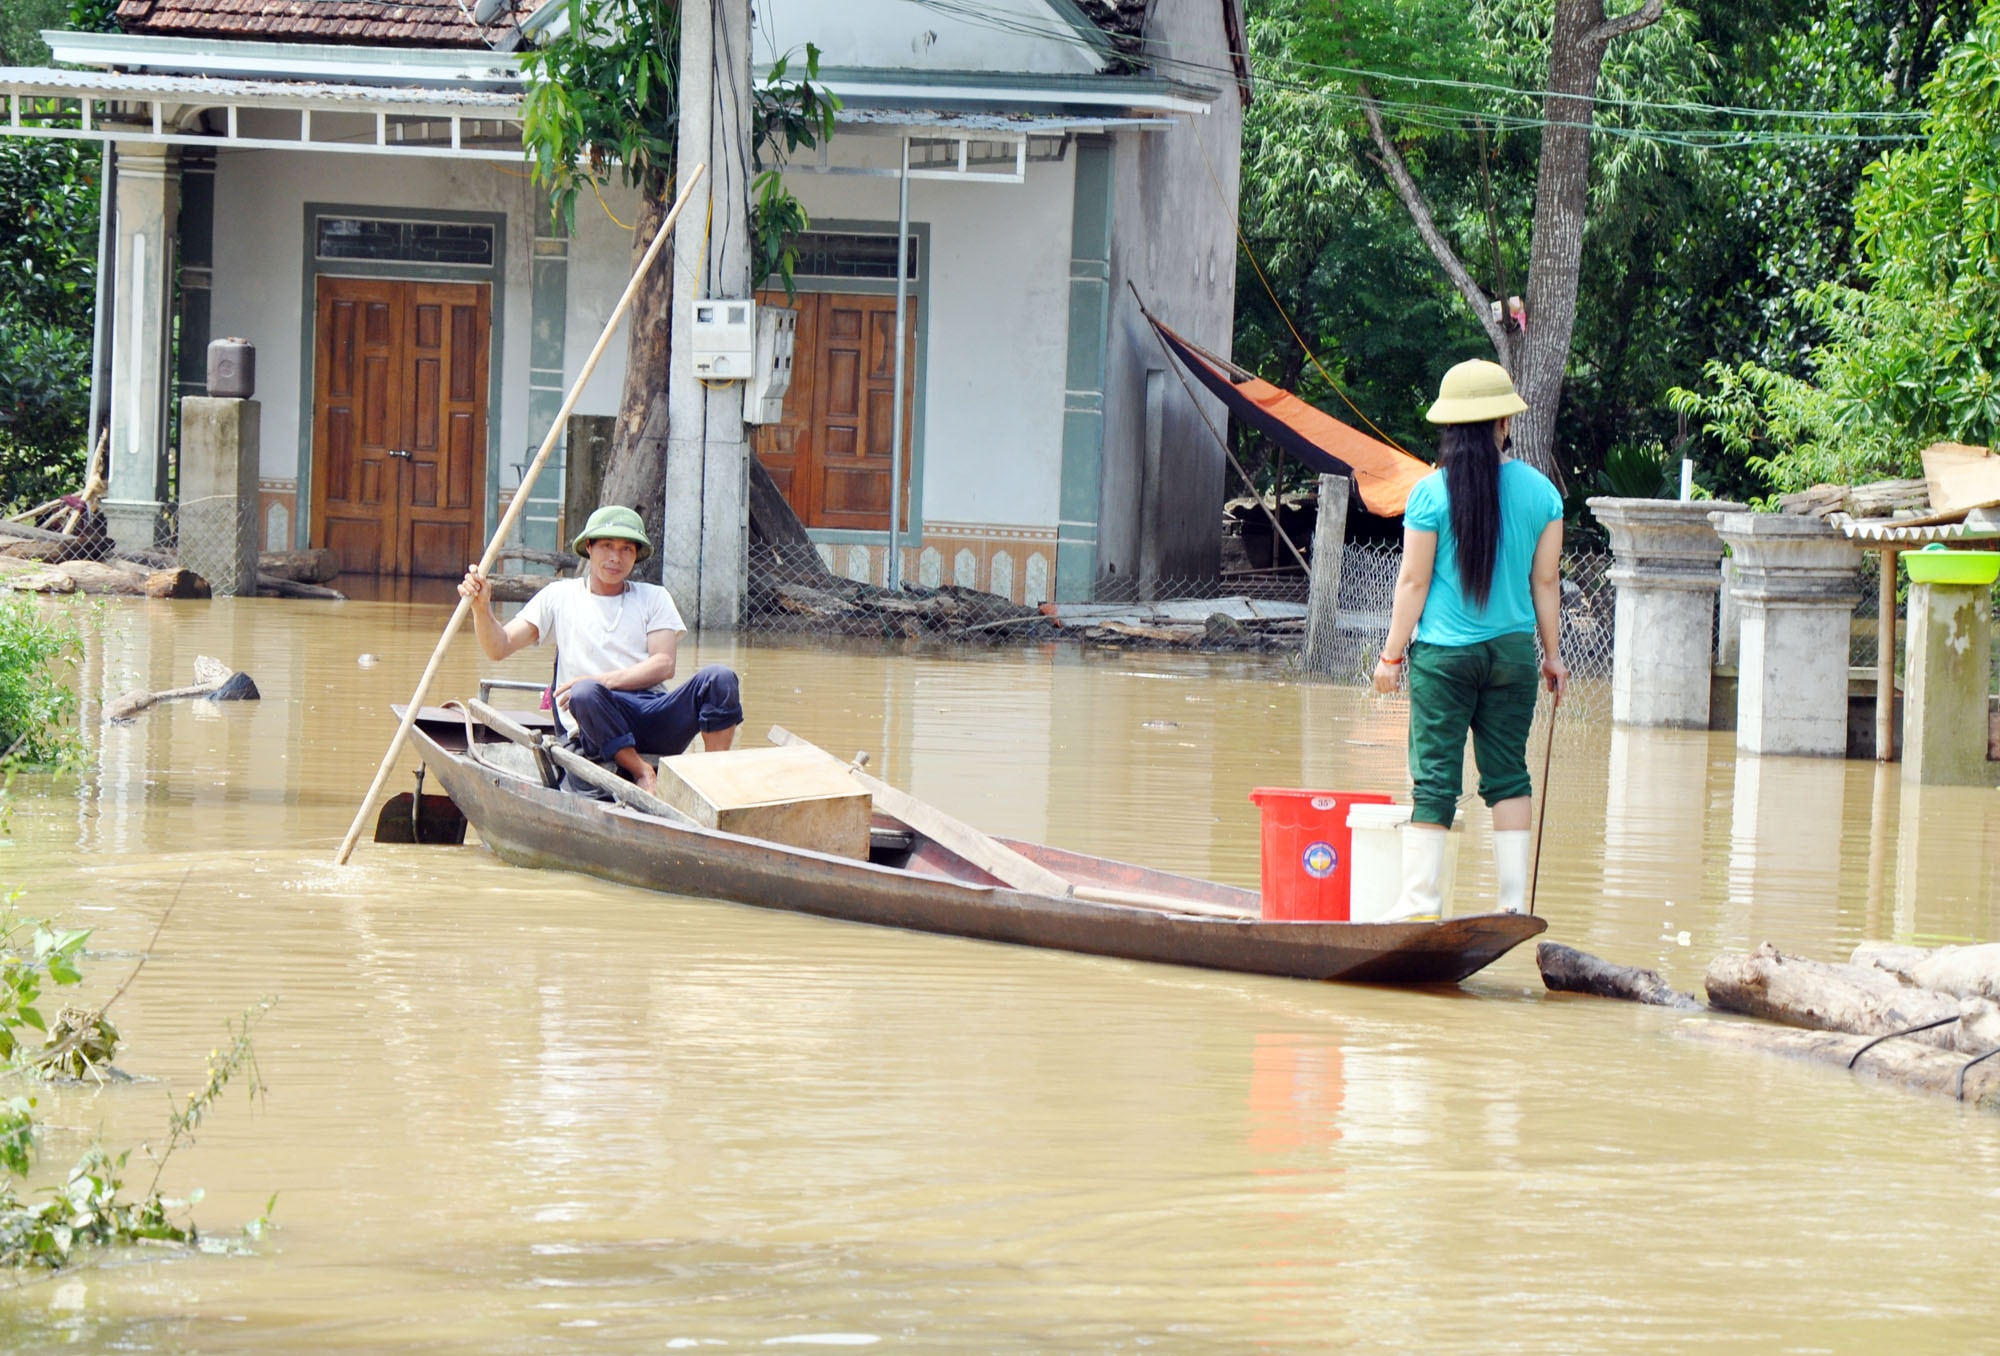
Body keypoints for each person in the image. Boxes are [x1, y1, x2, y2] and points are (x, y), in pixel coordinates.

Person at [1370, 360, 1568, 918]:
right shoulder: (1543, 494)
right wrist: (1553, 657)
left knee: (1435, 776)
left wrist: (1390, 656)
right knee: (1508, 775)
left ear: (1450, 428)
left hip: (1443, 658)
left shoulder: (1429, 494)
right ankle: (1511, 905)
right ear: (1504, 423)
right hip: (1511, 656)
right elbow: (1545, 581)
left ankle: (1420, 902)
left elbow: (1413, 581)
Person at [458, 505, 743, 795]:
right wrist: (482, 609)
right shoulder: (559, 596)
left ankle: (711, 779)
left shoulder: (653, 597)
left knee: (720, 678)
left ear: (635, 556)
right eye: (607, 546)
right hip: (594, 723)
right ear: (589, 547)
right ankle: (641, 771)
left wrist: (599, 680)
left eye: (626, 549)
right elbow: (499, 647)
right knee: (584, 694)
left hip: (650, 712)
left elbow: (664, 664)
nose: (615, 558)